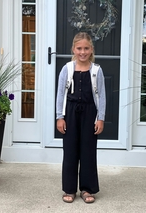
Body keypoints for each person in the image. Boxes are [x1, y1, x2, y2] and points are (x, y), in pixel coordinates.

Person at [56, 32, 106, 203]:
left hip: (89, 113)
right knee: (70, 151)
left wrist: (101, 117)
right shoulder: (67, 69)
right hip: (70, 113)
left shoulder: (97, 70)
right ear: (74, 49)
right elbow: (60, 94)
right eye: (79, 48)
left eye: (86, 48)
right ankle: (69, 189)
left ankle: (87, 189)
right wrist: (59, 117)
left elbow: (102, 96)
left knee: (88, 151)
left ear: (91, 49)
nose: (82, 52)